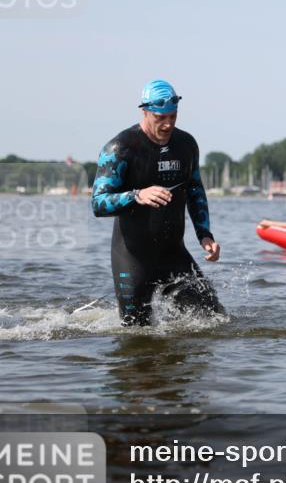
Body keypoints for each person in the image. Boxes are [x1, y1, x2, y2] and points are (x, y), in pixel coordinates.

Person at [92, 79, 223, 326]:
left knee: (215, 320)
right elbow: (97, 203)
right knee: (136, 333)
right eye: (160, 117)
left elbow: (195, 190)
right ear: (144, 111)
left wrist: (205, 235)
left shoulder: (186, 145)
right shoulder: (120, 148)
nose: (168, 124)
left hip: (173, 253)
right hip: (133, 258)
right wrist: (137, 195)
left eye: (173, 116)